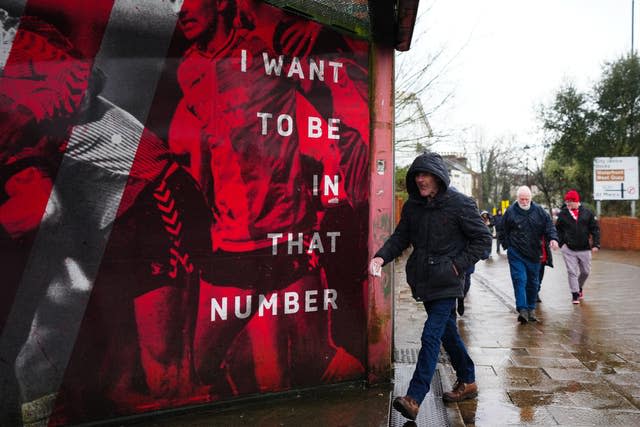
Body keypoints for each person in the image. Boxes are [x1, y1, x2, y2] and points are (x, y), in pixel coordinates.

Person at [0, 13, 212, 424]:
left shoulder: (15, 38)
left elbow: (82, 84)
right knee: (81, 371)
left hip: (151, 193)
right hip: (100, 213)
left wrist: (23, 121)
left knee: (165, 376)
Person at [167, 0, 367, 393]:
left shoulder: (264, 50)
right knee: (202, 364)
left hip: (285, 237)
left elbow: (333, 84)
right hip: (230, 241)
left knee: (317, 359)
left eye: (188, 1)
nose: (180, 10)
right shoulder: (189, 68)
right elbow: (211, 144)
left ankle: (367, 379)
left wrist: (332, 164)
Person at [369, 152, 492, 421]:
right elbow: (401, 237)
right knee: (448, 333)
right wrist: (380, 256)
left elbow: (483, 241)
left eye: (425, 175)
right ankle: (468, 380)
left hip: (448, 281)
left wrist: (456, 266)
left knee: (430, 336)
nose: (420, 180)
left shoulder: (461, 204)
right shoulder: (413, 207)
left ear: (438, 177)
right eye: (417, 175)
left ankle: (414, 397)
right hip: (425, 281)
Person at [502, 186, 559, 324]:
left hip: (534, 253)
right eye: (522, 199)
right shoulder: (510, 212)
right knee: (519, 279)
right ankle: (522, 309)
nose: (524, 201)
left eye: (527, 199)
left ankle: (531, 309)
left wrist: (553, 239)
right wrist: (507, 246)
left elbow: (549, 227)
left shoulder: (540, 211)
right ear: (517, 198)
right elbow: (503, 230)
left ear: (531, 199)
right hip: (516, 252)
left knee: (533, 282)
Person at [555, 189, 600, 304]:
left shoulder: (587, 213)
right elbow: (558, 229)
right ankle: (575, 294)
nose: (568, 204)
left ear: (576, 201)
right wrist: (561, 243)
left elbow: (595, 229)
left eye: (570, 202)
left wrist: (596, 244)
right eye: (567, 202)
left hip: (584, 248)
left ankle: (579, 287)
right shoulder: (563, 214)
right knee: (572, 271)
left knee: (586, 271)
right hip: (568, 248)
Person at [536, 236, 553, 302]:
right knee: (534, 277)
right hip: (533, 258)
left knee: (540, 278)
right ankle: (534, 293)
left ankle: (536, 292)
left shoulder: (544, 230)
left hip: (543, 258)